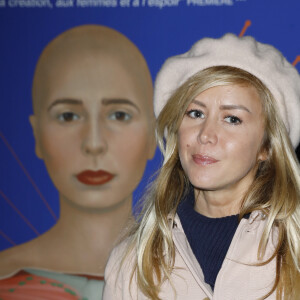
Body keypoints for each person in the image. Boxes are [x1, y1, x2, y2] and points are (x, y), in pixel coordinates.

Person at [103, 33, 300, 300]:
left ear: (267, 147)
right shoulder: (131, 262)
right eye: (195, 113)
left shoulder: (295, 254)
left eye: (232, 119)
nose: (206, 134)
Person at [0, 25, 156, 299]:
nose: (94, 143)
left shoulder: (189, 277)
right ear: (37, 135)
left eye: (119, 115)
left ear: (153, 134)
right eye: (68, 116)